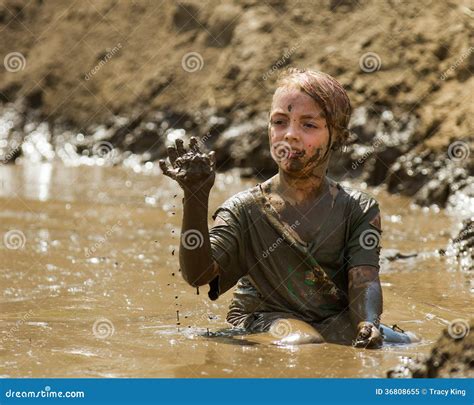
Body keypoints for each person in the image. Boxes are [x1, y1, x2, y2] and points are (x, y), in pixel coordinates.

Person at [159, 67, 418, 348]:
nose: (290, 135)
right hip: (266, 319)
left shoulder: (358, 208)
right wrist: (195, 198)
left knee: (405, 342)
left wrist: (368, 324)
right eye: (280, 122)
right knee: (301, 339)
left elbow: (363, 280)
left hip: (331, 319)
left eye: (308, 125)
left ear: (338, 136)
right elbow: (198, 275)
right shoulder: (245, 209)